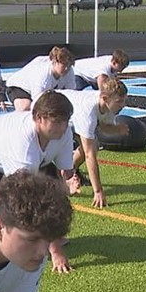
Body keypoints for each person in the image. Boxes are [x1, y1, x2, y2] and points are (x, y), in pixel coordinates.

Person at [0, 91, 77, 273]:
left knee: (51, 192)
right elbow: (26, 194)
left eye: (65, 121)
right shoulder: (22, 141)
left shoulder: (64, 132)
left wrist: (67, 184)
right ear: (38, 118)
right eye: (57, 122)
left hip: (12, 152)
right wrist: (55, 249)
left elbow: (62, 173)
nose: (63, 127)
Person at [59, 78, 129, 207]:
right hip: (51, 112)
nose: (123, 105)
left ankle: (69, 171)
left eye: (124, 100)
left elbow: (103, 126)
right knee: (51, 152)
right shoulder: (88, 110)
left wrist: (116, 129)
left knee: (94, 145)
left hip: (67, 119)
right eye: (119, 101)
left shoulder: (107, 104)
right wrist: (98, 191)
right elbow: (89, 155)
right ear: (105, 99)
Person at [6, 46, 76, 112]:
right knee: (25, 108)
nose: (67, 68)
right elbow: (38, 102)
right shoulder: (43, 76)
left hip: (43, 91)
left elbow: (71, 94)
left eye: (69, 65)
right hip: (18, 87)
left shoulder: (69, 71)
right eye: (64, 65)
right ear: (55, 62)